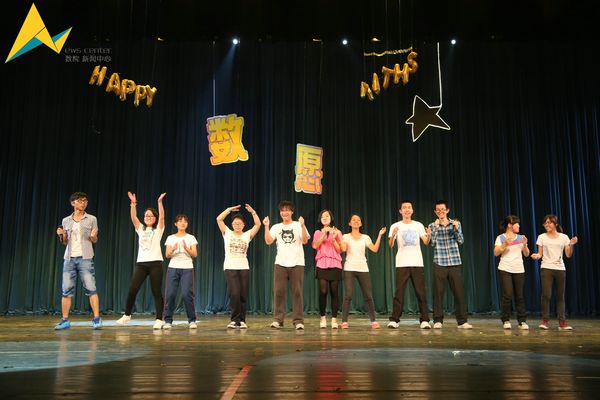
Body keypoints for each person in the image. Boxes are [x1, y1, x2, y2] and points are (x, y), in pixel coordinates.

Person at [116, 192, 166, 330]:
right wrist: (133, 204)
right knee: (132, 289)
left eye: (150, 216)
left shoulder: (158, 229)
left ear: (155, 218)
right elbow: (133, 217)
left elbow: (162, 217)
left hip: (156, 263)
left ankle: (159, 319)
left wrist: (159, 202)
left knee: (156, 292)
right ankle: (127, 315)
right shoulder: (141, 229)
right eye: (146, 216)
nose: (148, 217)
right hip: (141, 264)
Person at [55, 192, 102, 330]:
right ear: (73, 203)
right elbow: (65, 242)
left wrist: (93, 236)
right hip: (69, 259)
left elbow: (95, 239)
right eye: (80, 201)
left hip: (85, 258)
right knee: (66, 289)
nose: (83, 203)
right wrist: (61, 235)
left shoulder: (91, 219)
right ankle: (64, 320)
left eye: (85, 201)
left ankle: (96, 318)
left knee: (91, 288)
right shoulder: (66, 221)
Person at [263, 200, 310, 330]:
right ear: (280, 213)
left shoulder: (298, 225)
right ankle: (278, 320)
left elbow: (305, 241)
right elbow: (268, 241)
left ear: (292, 212)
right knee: (279, 292)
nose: (285, 212)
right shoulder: (276, 227)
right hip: (280, 263)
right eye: (282, 210)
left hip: (297, 263)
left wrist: (303, 226)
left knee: (297, 292)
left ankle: (298, 321)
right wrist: (266, 226)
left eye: (287, 210)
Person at [428, 200, 472, 329]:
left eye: (443, 209)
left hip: (454, 261)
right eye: (438, 210)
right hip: (439, 262)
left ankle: (462, 321)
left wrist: (457, 229)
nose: (440, 212)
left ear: (447, 210)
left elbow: (461, 241)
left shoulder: (455, 223)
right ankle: (438, 320)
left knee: (459, 293)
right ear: (435, 212)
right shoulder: (432, 225)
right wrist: (436, 228)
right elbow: (432, 243)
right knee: (438, 293)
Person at [387, 200, 431, 329]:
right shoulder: (395, 226)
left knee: (421, 292)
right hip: (402, 263)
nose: (407, 210)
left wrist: (429, 235)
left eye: (409, 207)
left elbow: (426, 242)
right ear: (400, 211)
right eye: (404, 208)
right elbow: (390, 245)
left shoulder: (418, 225)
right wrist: (393, 235)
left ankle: (424, 320)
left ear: (412, 210)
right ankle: (395, 320)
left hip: (417, 262)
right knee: (399, 292)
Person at [216, 204, 261, 329]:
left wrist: (253, 212)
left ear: (243, 225)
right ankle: (234, 319)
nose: (237, 225)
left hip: (244, 267)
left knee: (242, 295)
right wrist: (228, 210)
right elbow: (219, 219)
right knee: (234, 293)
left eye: (239, 223)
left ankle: (242, 320)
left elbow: (258, 224)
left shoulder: (247, 235)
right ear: (232, 225)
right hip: (230, 267)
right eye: (235, 223)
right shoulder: (227, 233)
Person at [531, 214, 578, 331]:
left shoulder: (564, 237)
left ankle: (562, 323)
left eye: (549, 222)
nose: (547, 225)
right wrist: (536, 256)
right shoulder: (541, 237)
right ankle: (545, 321)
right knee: (546, 295)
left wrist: (571, 245)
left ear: (555, 224)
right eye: (545, 223)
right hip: (546, 268)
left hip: (560, 269)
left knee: (560, 296)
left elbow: (568, 254)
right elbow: (540, 254)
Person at [340, 214, 386, 329]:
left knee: (368, 295)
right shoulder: (345, 236)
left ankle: (373, 321)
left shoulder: (365, 237)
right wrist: (339, 238)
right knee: (348, 295)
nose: (356, 221)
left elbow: (374, 249)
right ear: (349, 223)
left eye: (358, 220)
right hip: (349, 268)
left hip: (363, 268)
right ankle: (344, 321)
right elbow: (343, 249)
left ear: (361, 223)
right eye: (353, 220)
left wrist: (380, 235)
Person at [493, 215, 530, 330]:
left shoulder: (521, 238)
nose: (519, 226)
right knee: (508, 294)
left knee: (519, 296)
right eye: (516, 223)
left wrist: (525, 244)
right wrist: (504, 244)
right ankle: (506, 320)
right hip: (505, 268)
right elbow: (496, 253)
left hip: (519, 269)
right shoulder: (501, 237)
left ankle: (522, 321)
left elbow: (526, 254)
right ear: (510, 225)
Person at [163, 214, 199, 329]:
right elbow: (167, 255)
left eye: (185, 221)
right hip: (173, 267)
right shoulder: (170, 238)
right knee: (170, 294)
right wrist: (173, 249)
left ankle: (192, 320)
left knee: (187, 294)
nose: (182, 223)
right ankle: (168, 321)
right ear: (176, 224)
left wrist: (186, 248)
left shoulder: (191, 237)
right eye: (180, 221)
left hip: (187, 268)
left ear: (187, 224)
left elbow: (194, 254)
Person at [312, 209, 343, 329]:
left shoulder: (337, 232)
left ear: (331, 218)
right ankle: (323, 317)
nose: (325, 218)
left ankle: (334, 319)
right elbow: (315, 245)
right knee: (323, 291)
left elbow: (340, 250)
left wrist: (334, 238)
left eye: (327, 216)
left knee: (334, 291)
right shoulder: (317, 232)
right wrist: (324, 234)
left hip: (335, 263)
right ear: (320, 220)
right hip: (322, 263)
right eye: (322, 217)